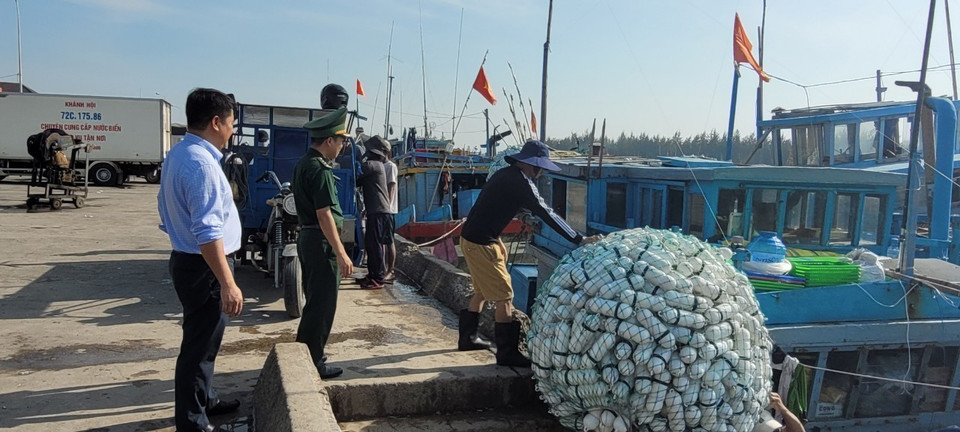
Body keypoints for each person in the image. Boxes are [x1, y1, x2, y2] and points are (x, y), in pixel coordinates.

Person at [459, 139, 600, 367]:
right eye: (541, 167)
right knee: (505, 296)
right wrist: (579, 239)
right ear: (531, 165)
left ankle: (467, 338)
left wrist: (497, 239)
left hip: (475, 238)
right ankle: (506, 354)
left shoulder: (504, 175)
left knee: (482, 291)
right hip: (481, 243)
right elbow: (546, 213)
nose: (542, 171)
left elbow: (488, 209)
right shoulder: (521, 183)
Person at [157, 88, 243, 432]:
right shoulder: (202, 164)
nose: (232, 131)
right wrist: (227, 282)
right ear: (216, 122)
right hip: (203, 267)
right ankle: (193, 423)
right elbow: (208, 232)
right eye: (231, 124)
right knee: (198, 348)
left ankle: (206, 399)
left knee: (205, 341)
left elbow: (166, 212)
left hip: (190, 261)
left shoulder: (180, 154)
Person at [292, 106, 355, 379]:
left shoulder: (303, 163)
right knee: (322, 304)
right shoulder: (320, 170)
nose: (342, 147)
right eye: (341, 141)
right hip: (320, 243)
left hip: (308, 238)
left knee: (315, 300)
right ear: (329, 140)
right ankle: (313, 360)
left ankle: (305, 355)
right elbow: (324, 213)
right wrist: (341, 252)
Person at [356, 135, 393, 289]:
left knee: (375, 245)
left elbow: (356, 175)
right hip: (377, 211)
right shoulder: (377, 165)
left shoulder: (372, 165)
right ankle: (372, 275)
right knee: (372, 244)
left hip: (378, 211)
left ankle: (377, 278)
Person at [382, 142, 399, 281]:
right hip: (381, 209)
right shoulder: (381, 166)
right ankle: (383, 268)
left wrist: (387, 205)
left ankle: (390, 270)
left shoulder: (391, 167)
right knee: (382, 240)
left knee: (389, 240)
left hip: (388, 210)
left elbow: (391, 186)